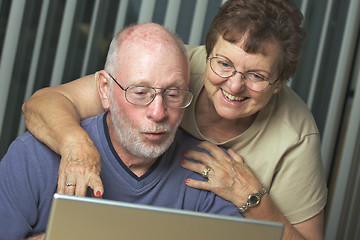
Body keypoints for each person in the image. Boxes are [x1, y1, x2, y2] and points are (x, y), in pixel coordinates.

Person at [22, 0, 327, 239]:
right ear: (208, 52)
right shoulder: (170, 67)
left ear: (280, 81)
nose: (234, 85)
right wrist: (77, 146)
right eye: (223, 63)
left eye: (257, 75)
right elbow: (41, 104)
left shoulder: (296, 136)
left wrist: (252, 199)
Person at [0, 23, 243, 240]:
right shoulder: (31, 157)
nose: (158, 113)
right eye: (140, 93)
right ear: (105, 90)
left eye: (173, 94)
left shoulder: (210, 172)